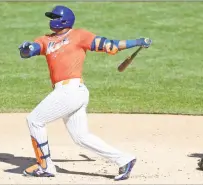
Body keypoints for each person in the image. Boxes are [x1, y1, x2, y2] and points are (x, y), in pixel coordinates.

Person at [18, 5, 152, 180]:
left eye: (54, 16)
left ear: (64, 20)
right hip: (68, 92)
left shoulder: (79, 35)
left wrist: (136, 42)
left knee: (35, 120)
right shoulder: (46, 40)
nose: (51, 20)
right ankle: (125, 160)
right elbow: (29, 51)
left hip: (72, 90)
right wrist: (26, 47)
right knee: (80, 137)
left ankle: (45, 166)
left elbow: (109, 45)